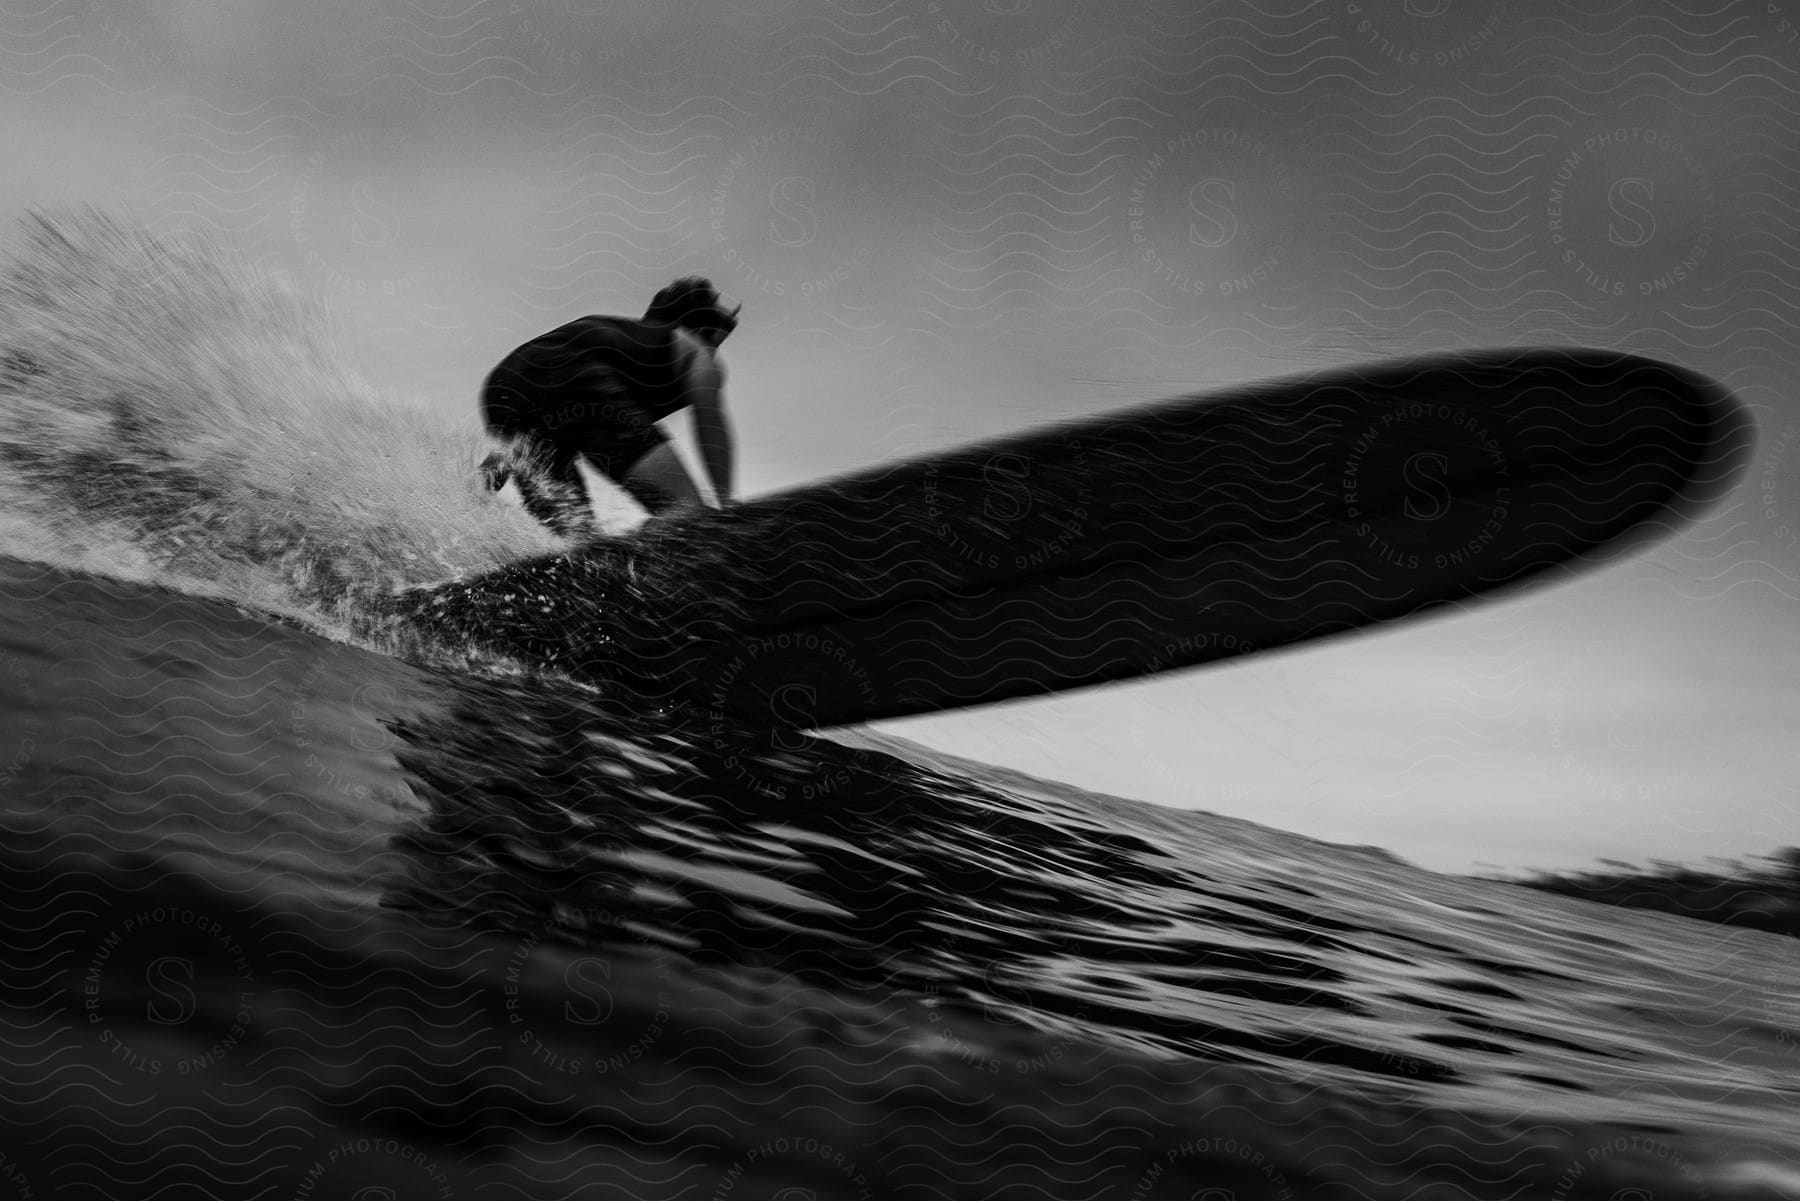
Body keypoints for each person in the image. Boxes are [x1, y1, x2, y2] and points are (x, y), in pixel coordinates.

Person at [478, 277, 740, 537]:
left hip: (505, 386)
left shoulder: (628, 344)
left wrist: (493, 471)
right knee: (689, 516)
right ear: (710, 331)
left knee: (580, 543)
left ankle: (463, 494)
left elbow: (533, 427)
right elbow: (709, 420)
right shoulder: (696, 351)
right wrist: (727, 505)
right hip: (579, 375)